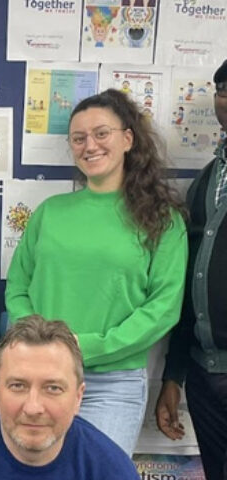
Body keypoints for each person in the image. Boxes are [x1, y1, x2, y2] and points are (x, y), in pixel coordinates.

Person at [5, 88, 188, 455]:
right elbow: (17, 287)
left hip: (113, 384)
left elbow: (163, 307)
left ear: (127, 138)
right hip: (41, 377)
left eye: (101, 133)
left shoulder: (162, 220)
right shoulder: (50, 212)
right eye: (78, 138)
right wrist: (46, 343)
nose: (90, 145)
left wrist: (84, 346)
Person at [0, 316, 139, 479]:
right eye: (18, 386)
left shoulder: (110, 469)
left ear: (78, 397)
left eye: (53, 388)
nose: (33, 407)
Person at [156, 59, 227, 480]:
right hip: (204, 374)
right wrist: (174, 374)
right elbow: (191, 281)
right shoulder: (206, 181)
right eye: (223, 89)